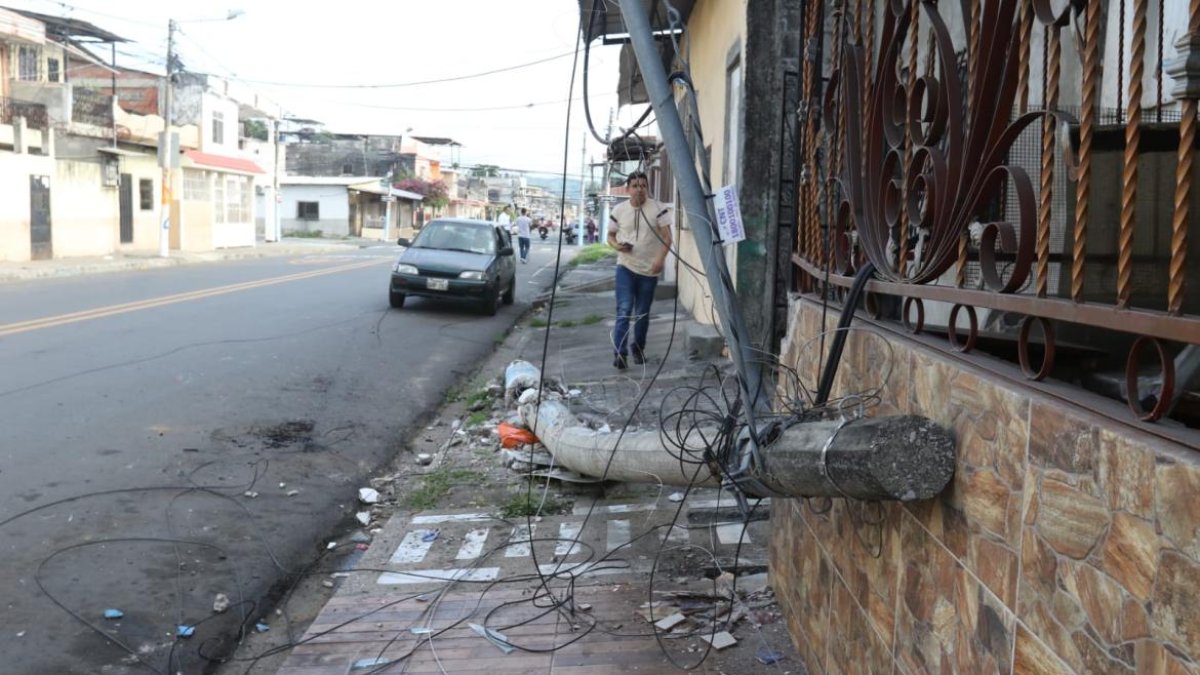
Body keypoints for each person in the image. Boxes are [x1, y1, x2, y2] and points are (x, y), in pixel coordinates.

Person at [607, 172, 672, 369]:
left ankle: (638, 348)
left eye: (643, 185)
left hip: (649, 270)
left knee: (642, 312)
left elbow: (667, 237)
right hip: (625, 267)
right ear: (628, 189)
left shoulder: (658, 208)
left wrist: (660, 260)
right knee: (624, 310)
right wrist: (618, 246)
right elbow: (610, 236)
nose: (639, 189)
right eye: (635, 186)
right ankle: (620, 354)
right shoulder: (619, 210)